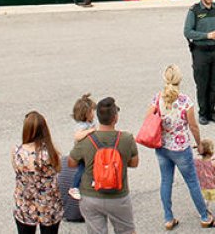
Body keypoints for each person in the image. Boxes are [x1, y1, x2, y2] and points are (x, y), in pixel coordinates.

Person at [147, 64, 215, 229]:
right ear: (180, 80)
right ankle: (204, 215)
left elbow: (148, 119)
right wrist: (199, 143)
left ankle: (168, 217)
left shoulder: (157, 99)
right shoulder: (185, 101)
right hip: (180, 148)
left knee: (166, 181)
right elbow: (193, 126)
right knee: (192, 181)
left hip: (162, 146)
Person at [67, 97, 140, 234]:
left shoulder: (86, 139)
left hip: (91, 195)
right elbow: (134, 163)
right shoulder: (126, 138)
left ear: (98, 117)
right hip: (118, 195)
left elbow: (71, 162)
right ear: (115, 118)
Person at [13, 111, 65, 234]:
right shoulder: (51, 153)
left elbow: (17, 170)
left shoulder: (17, 152)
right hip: (48, 203)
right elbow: (58, 169)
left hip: (25, 202)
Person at [68, 93, 97, 200]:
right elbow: (77, 136)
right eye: (92, 112)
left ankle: (95, 179)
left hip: (89, 151)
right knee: (82, 168)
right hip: (81, 152)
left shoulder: (90, 123)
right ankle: (74, 187)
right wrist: (90, 131)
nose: (94, 114)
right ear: (85, 114)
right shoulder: (82, 126)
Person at [195, 139, 215, 225]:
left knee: (205, 200)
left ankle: (203, 211)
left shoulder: (197, 161)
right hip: (213, 186)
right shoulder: (213, 162)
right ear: (211, 150)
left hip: (203, 186)